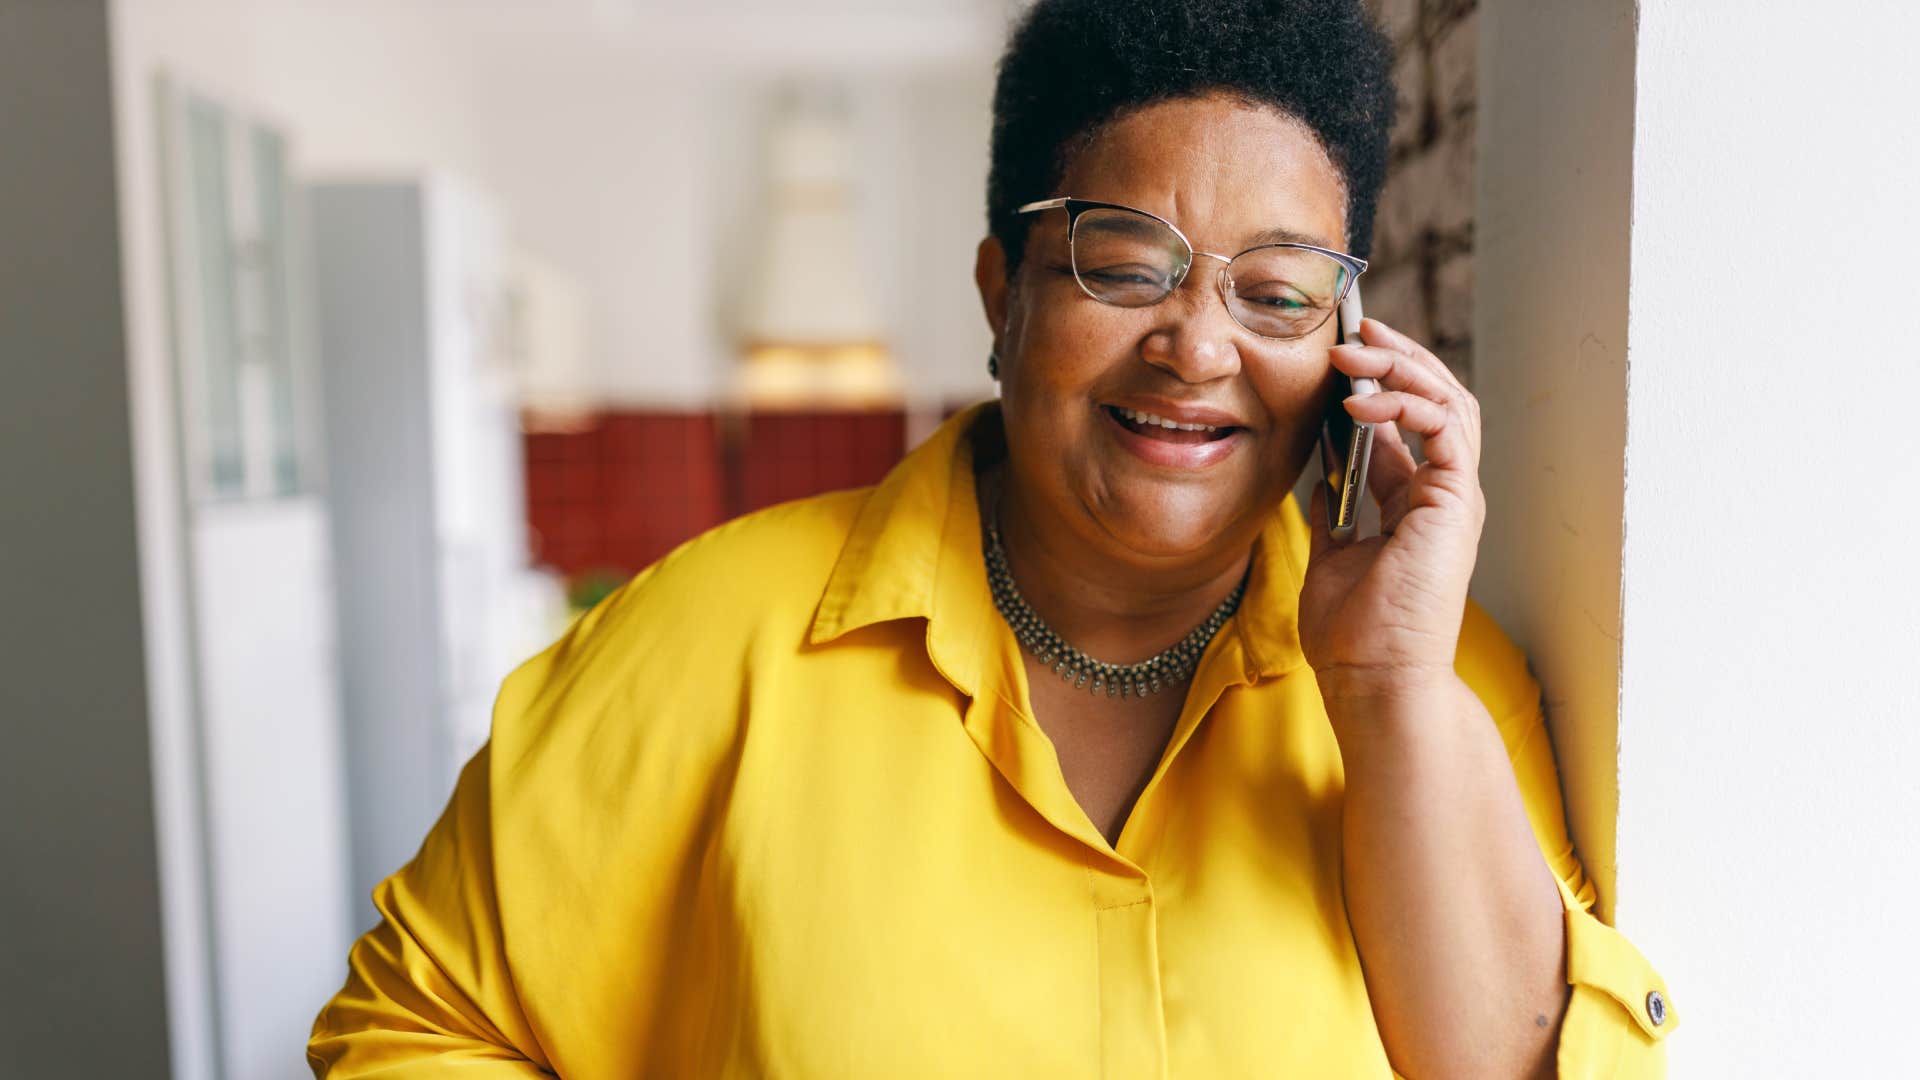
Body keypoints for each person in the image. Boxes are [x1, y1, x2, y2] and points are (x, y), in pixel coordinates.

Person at [309, 0, 1676, 1075]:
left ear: (1346, 348)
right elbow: (411, 1029)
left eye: (1275, 292)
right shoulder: (700, 641)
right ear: (1001, 293)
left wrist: (1385, 697)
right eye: (1125, 264)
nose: (1198, 344)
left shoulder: (1443, 689)